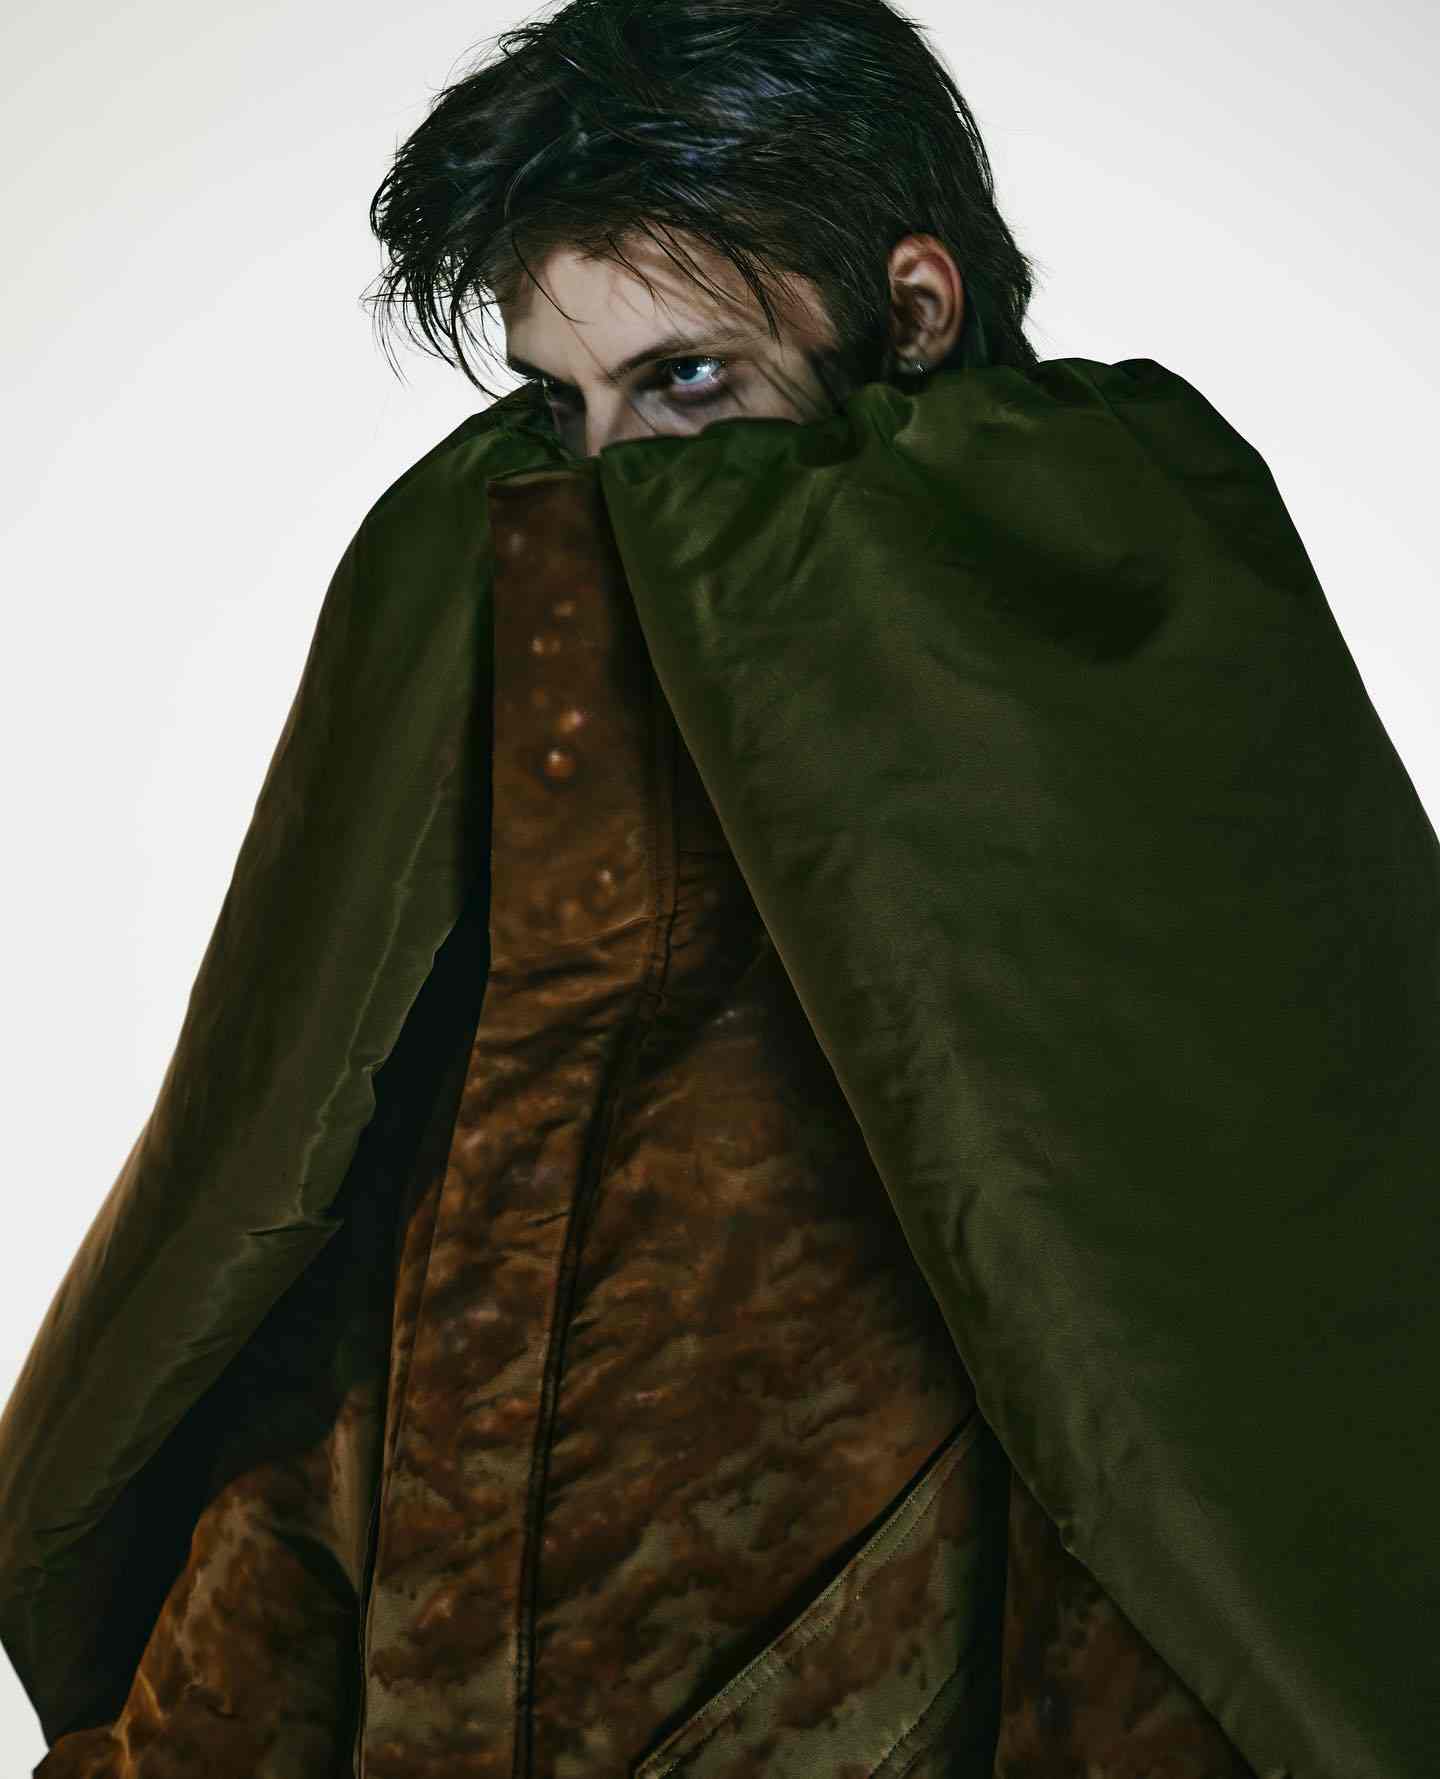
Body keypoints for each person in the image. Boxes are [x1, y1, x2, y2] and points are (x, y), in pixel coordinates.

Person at [5, 3, 1438, 1778]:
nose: (613, 477)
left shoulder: (1101, 652)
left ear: (915, 313)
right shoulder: (503, 645)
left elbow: (1175, 1434)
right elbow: (335, 1319)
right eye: (561, 400)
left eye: (686, 381)